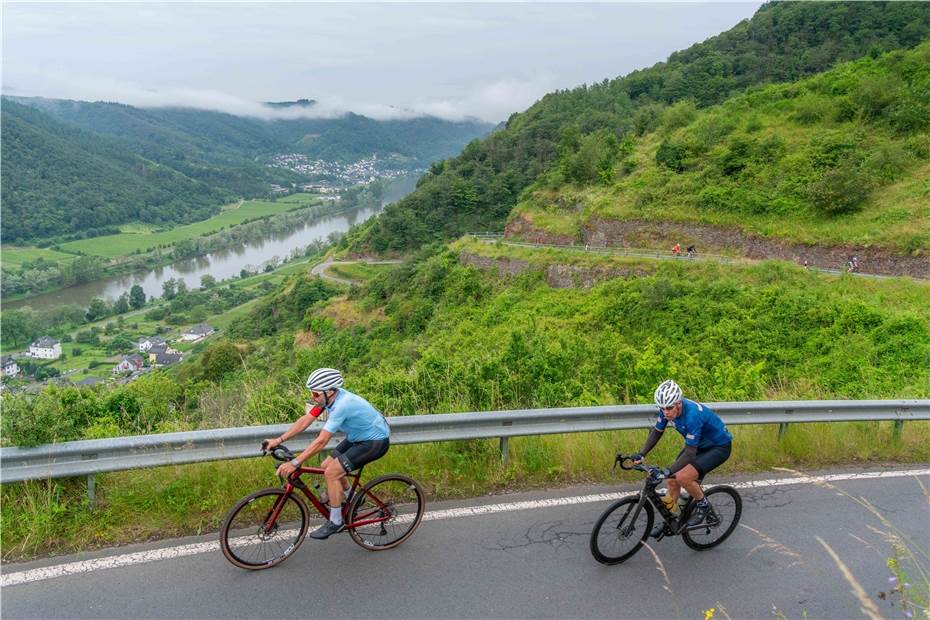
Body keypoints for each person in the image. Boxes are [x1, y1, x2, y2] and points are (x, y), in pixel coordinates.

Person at [263, 368, 390, 540]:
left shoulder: (342, 405)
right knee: (325, 466)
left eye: (315, 394)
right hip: (357, 437)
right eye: (312, 393)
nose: (313, 397)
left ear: (329, 391)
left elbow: (321, 441)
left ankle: (336, 522)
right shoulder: (327, 399)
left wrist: (294, 463)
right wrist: (278, 440)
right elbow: (305, 420)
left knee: (331, 473)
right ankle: (351, 499)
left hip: (374, 442)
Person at [632, 380, 733, 537]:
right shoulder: (667, 408)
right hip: (699, 445)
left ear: (678, 403)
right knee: (672, 480)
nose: (665, 412)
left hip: (718, 447)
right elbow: (657, 431)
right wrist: (642, 453)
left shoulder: (693, 415)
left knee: (682, 477)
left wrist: (668, 470)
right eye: (662, 408)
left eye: (669, 408)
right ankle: (672, 520)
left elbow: (690, 453)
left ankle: (703, 505)